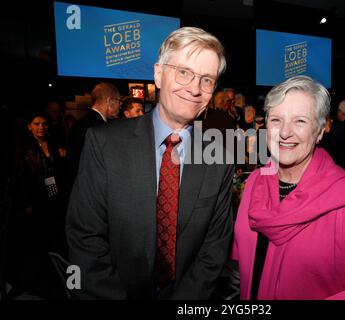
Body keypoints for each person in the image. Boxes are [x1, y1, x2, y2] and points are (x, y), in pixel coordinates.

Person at [66, 27, 234, 300]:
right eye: (183, 72)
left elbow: (213, 251)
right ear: (158, 74)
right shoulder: (104, 143)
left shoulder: (221, 158)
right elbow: (85, 237)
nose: (194, 88)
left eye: (206, 80)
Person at [232, 76, 345, 300]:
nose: (284, 132)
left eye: (300, 121)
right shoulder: (255, 182)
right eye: (276, 120)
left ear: (320, 130)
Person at [10, 112, 68, 297]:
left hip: (54, 195)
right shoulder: (24, 148)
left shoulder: (53, 144)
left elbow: (57, 170)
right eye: (36, 124)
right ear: (29, 126)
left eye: (44, 123)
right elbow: (20, 177)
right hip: (35, 199)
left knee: (53, 235)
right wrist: (27, 202)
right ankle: (35, 277)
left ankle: (52, 273)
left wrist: (62, 156)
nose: (41, 127)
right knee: (36, 238)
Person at [66, 82, 121, 190]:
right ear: (110, 101)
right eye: (119, 101)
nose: (120, 105)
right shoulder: (101, 128)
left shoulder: (79, 124)